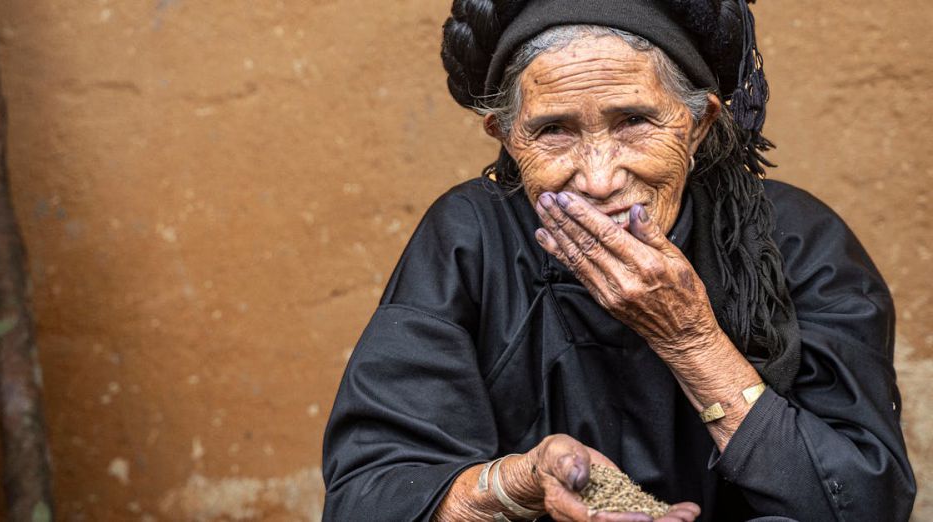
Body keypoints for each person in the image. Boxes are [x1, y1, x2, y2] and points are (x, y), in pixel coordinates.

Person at [321, 0, 916, 520]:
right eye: (554, 130)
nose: (600, 178)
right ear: (505, 136)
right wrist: (516, 485)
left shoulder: (794, 243)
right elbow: (372, 497)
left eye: (634, 121)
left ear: (699, 123)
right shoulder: (469, 238)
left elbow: (861, 503)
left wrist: (691, 340)